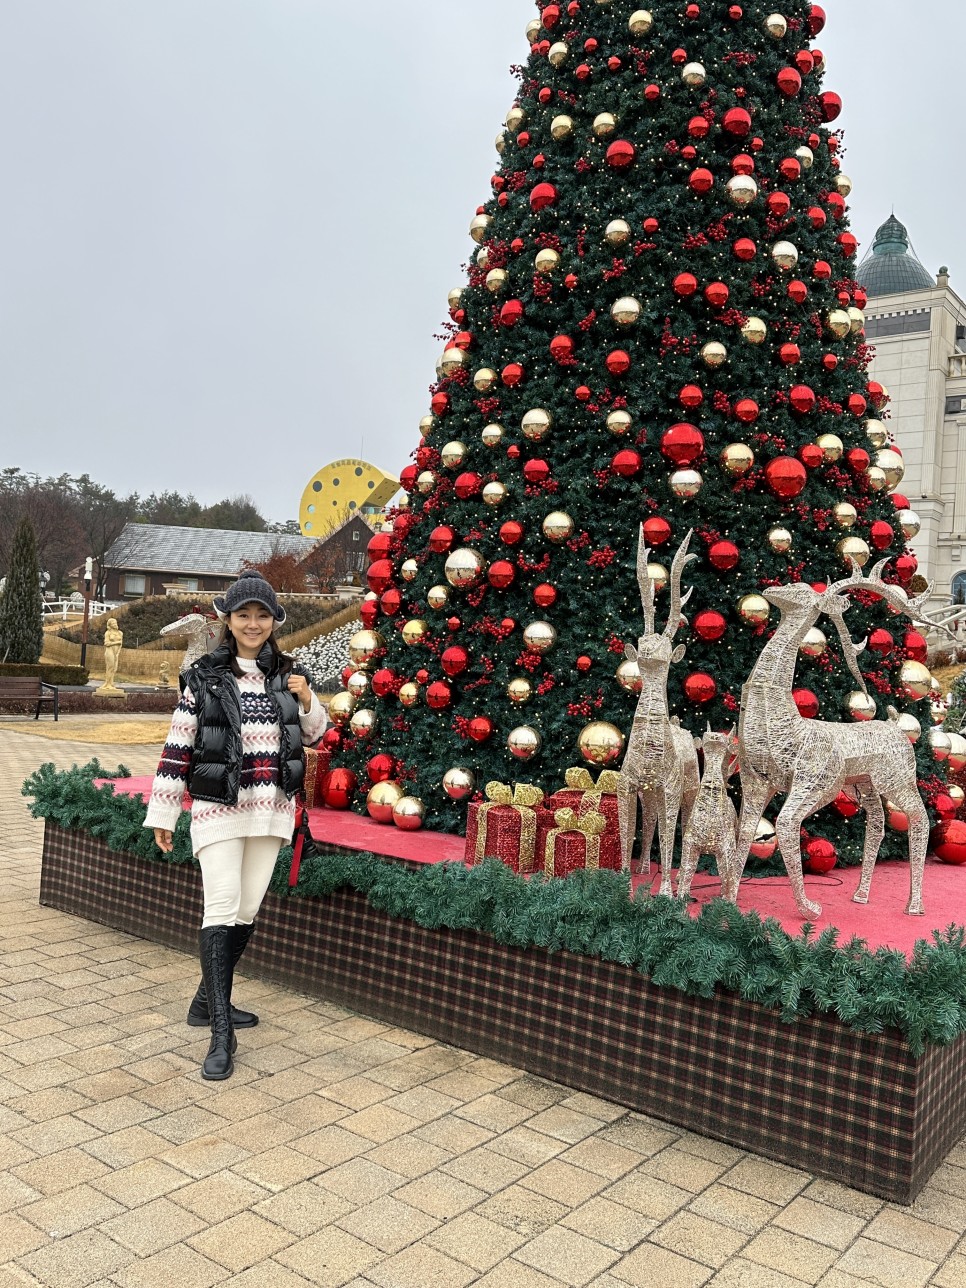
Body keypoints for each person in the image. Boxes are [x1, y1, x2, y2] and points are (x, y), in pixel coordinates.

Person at [144, 571, 327, 1080]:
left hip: (270, 810)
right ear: (228, 619)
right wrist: (163, 812)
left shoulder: (289, 674)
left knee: (246, 910)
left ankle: (207, 1000)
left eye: (262, 614)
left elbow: (313, 735)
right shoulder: (204, 677)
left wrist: (309, 699)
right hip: (217, 809)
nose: (252, 623)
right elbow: (178, 744)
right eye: (243, 614)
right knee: (221, 907)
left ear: (274, 621)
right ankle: (221, 1035)